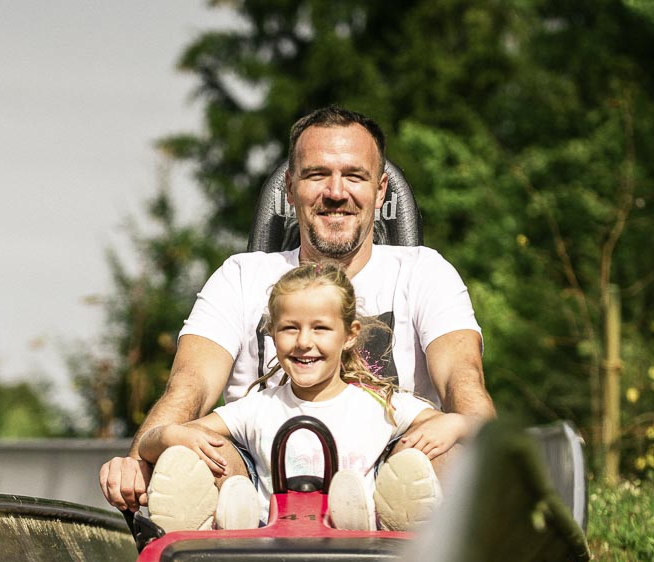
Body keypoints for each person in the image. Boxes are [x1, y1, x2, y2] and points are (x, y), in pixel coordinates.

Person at [100, 105, 495, 515]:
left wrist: (472, 434)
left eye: (354, 176)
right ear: (290, 189)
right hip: (256, 485)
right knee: (189, 454)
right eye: (317, 174)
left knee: (443, 454)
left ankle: (422, 549)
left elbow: (463, 379)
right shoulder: (241, 276)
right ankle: (222, 535)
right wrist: (140, 459)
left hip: (389, 478)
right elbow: (189, 385)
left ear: (379, 191)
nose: (336, 192)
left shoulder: (424, 271)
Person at [136, 262, 472, 532]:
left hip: (361, 551)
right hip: (269, 546)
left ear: (350, 335)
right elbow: (153, 443)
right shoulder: (259, 407)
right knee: (191, 450)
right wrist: (169, 434)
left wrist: (453, 424)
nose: (303, 342)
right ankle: (231, 521)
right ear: (272, 333)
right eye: (290, 328)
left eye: (321, 328)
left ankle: (381, 521)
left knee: (418, 458)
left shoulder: (379, 404)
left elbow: (471, 427)